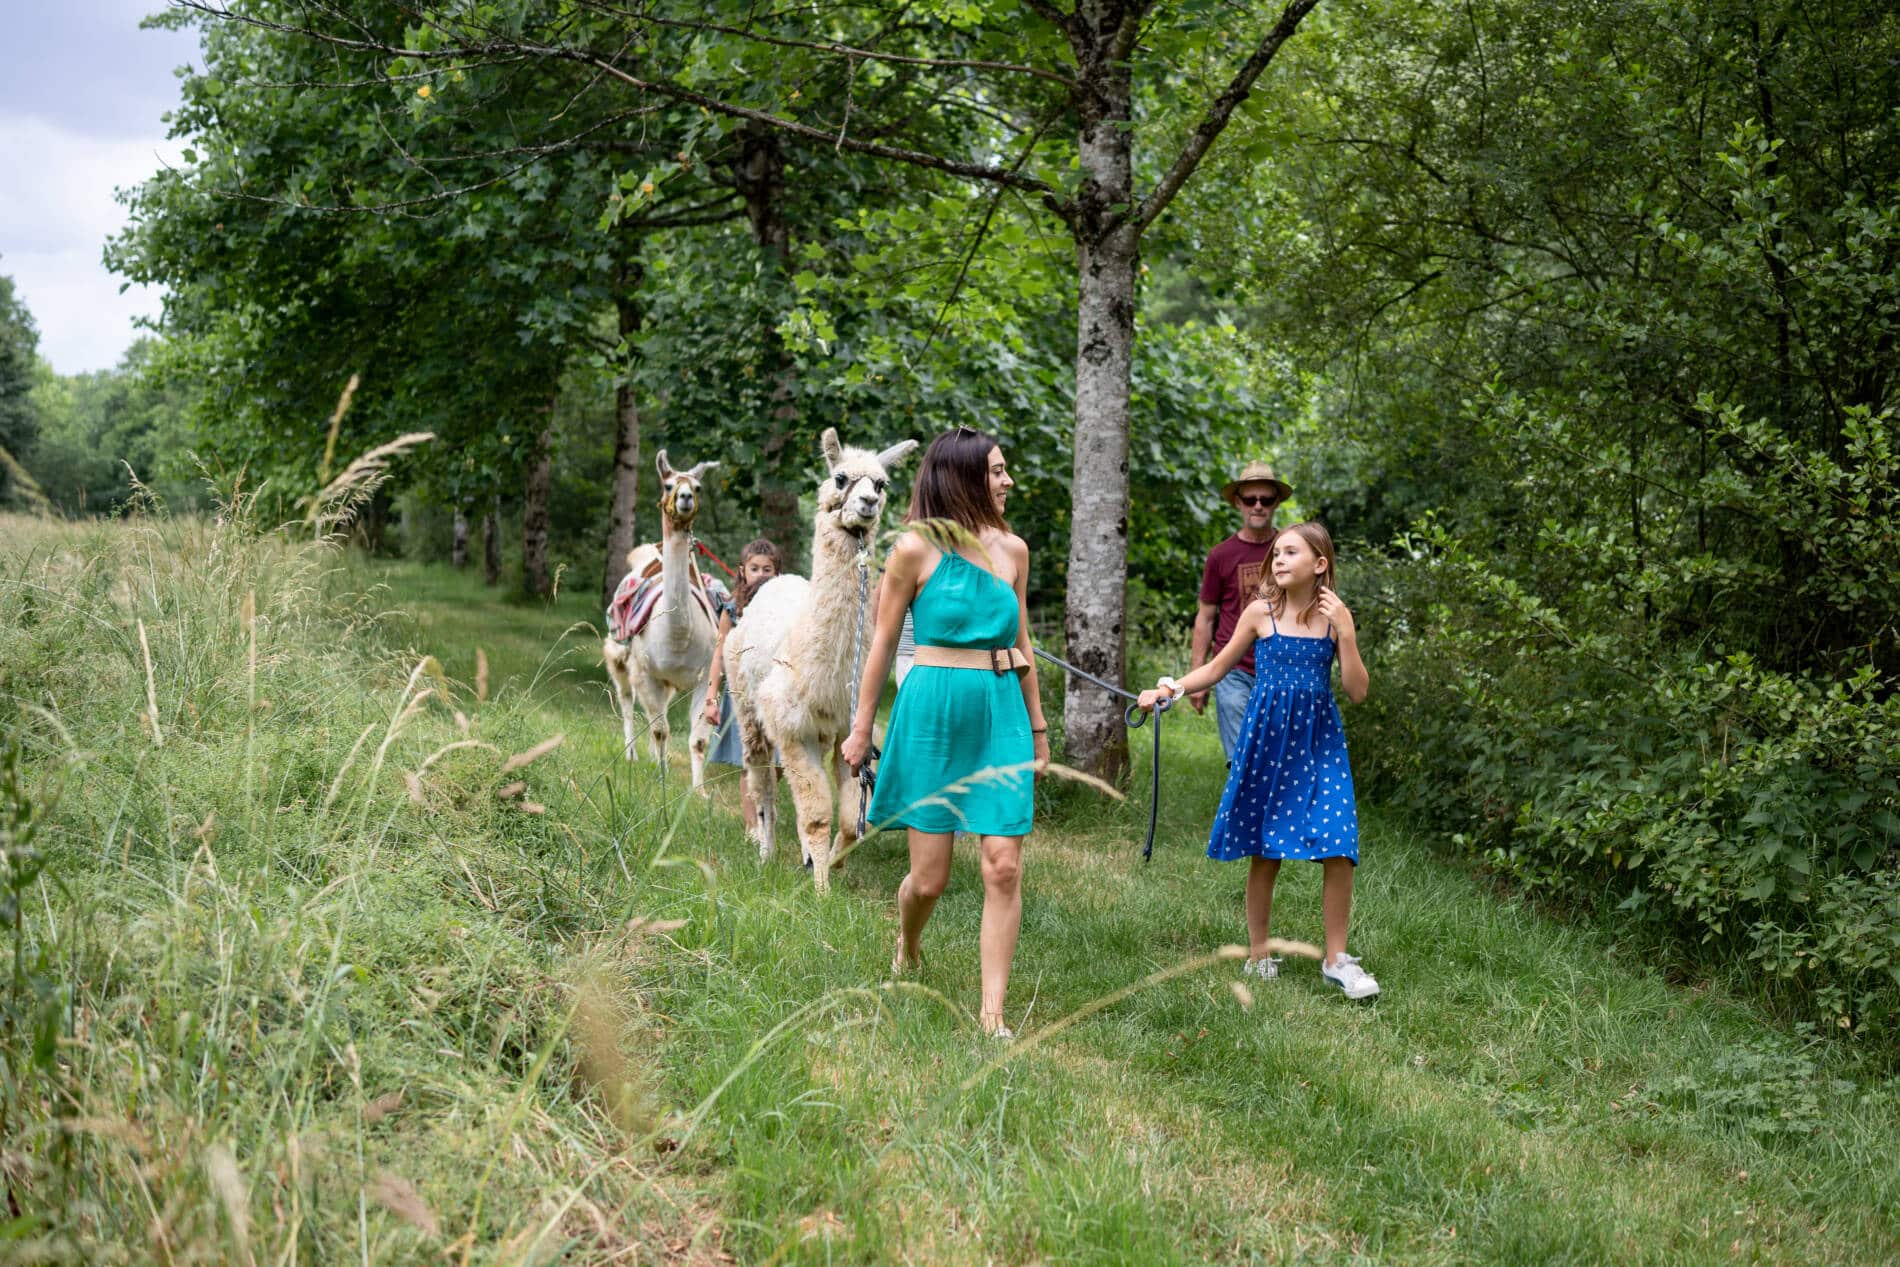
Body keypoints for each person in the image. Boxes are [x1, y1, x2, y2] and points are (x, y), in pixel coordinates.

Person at [841, 427, 1050, 1039]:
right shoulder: (913, 549)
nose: (1008, 481)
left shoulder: (1015, 550)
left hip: (1000, 711)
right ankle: (907, 943)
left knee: (1003, 865)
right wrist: (861, 729)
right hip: (931, 713)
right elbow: (880, 643)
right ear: (962, 478)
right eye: (997, 470)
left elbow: (1023, 642)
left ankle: (992, 1014)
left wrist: (1038, 726)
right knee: (930, 879)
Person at [1137, 521, 1379, 1000]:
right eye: (1276, 554)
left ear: (1320, 564)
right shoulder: (1260, 613)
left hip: (1318, 742)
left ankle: (1336, 959)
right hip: (1269, 742)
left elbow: (1357, 691)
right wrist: (1172, 689)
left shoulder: (1334, 620)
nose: (1279, 560)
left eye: (1291, 552)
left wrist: (1347, 634)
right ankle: (1258, 953)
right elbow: (1217, 667)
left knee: (1339, 844)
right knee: (1266, 849)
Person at [1191, 460, 1292, 761]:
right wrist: (1199, 678)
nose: (1258, 506)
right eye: (1250, 499)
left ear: (1276, 503)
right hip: (1232, 666)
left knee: (1277, 754)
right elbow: (1206, 617)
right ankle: (1246, 804)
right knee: (1241, 756)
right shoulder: (1221, 555)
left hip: (1279, 666)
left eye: (1266, 499)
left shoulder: (1290, 548)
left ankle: (1272, 805)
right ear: (1238, 503)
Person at [702, 539, 783, 829]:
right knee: (750, 759)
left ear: (777, 574)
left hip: (776, 692)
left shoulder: (785, 608)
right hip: (742, 694)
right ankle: (753, 826)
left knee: (779, 761)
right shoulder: (733, 609)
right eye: (754, 568)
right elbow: (719, 654)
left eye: (767, 569)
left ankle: (768, 808)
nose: (761, 574)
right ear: (742, 571)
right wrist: (711, 698)